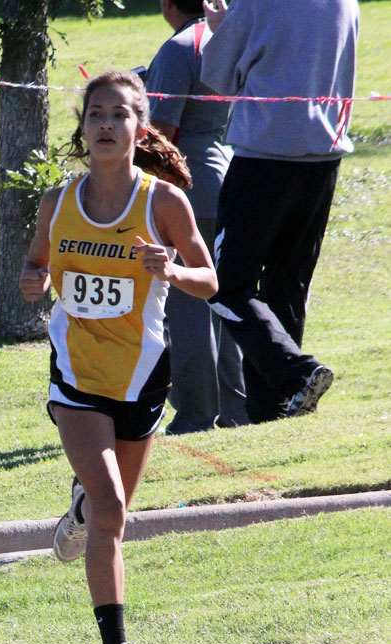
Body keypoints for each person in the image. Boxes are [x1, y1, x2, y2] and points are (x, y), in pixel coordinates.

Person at [19, 71, 217, 644]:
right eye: (95, 114)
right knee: (111, 509)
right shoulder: (58, 202)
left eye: (119, 115)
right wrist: (31, 280)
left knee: (112, 515)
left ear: (139, 128)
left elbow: (209, 281)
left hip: (141, 379)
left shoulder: (164, 204)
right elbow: (35, 263)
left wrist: (174, 268)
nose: (105, 124)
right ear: (83, 127)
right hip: (76, 377)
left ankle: (78, 510)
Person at [200, 0, 358, 423]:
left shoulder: (256, 3)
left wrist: (220, 27)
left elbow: (216, 78)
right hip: (323, 160)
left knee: (224, 284)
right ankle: (278, 412)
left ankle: (297, 374)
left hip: (264, 159)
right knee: (285, 288)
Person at [147, 0, 246, 434]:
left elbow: (161, 136)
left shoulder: (177, 48)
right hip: (231, 176)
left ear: (168, 4)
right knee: (223, 298)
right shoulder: (226, 37)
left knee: (187, 305)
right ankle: (237, 409)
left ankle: (195, 414)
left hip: (189, 185)